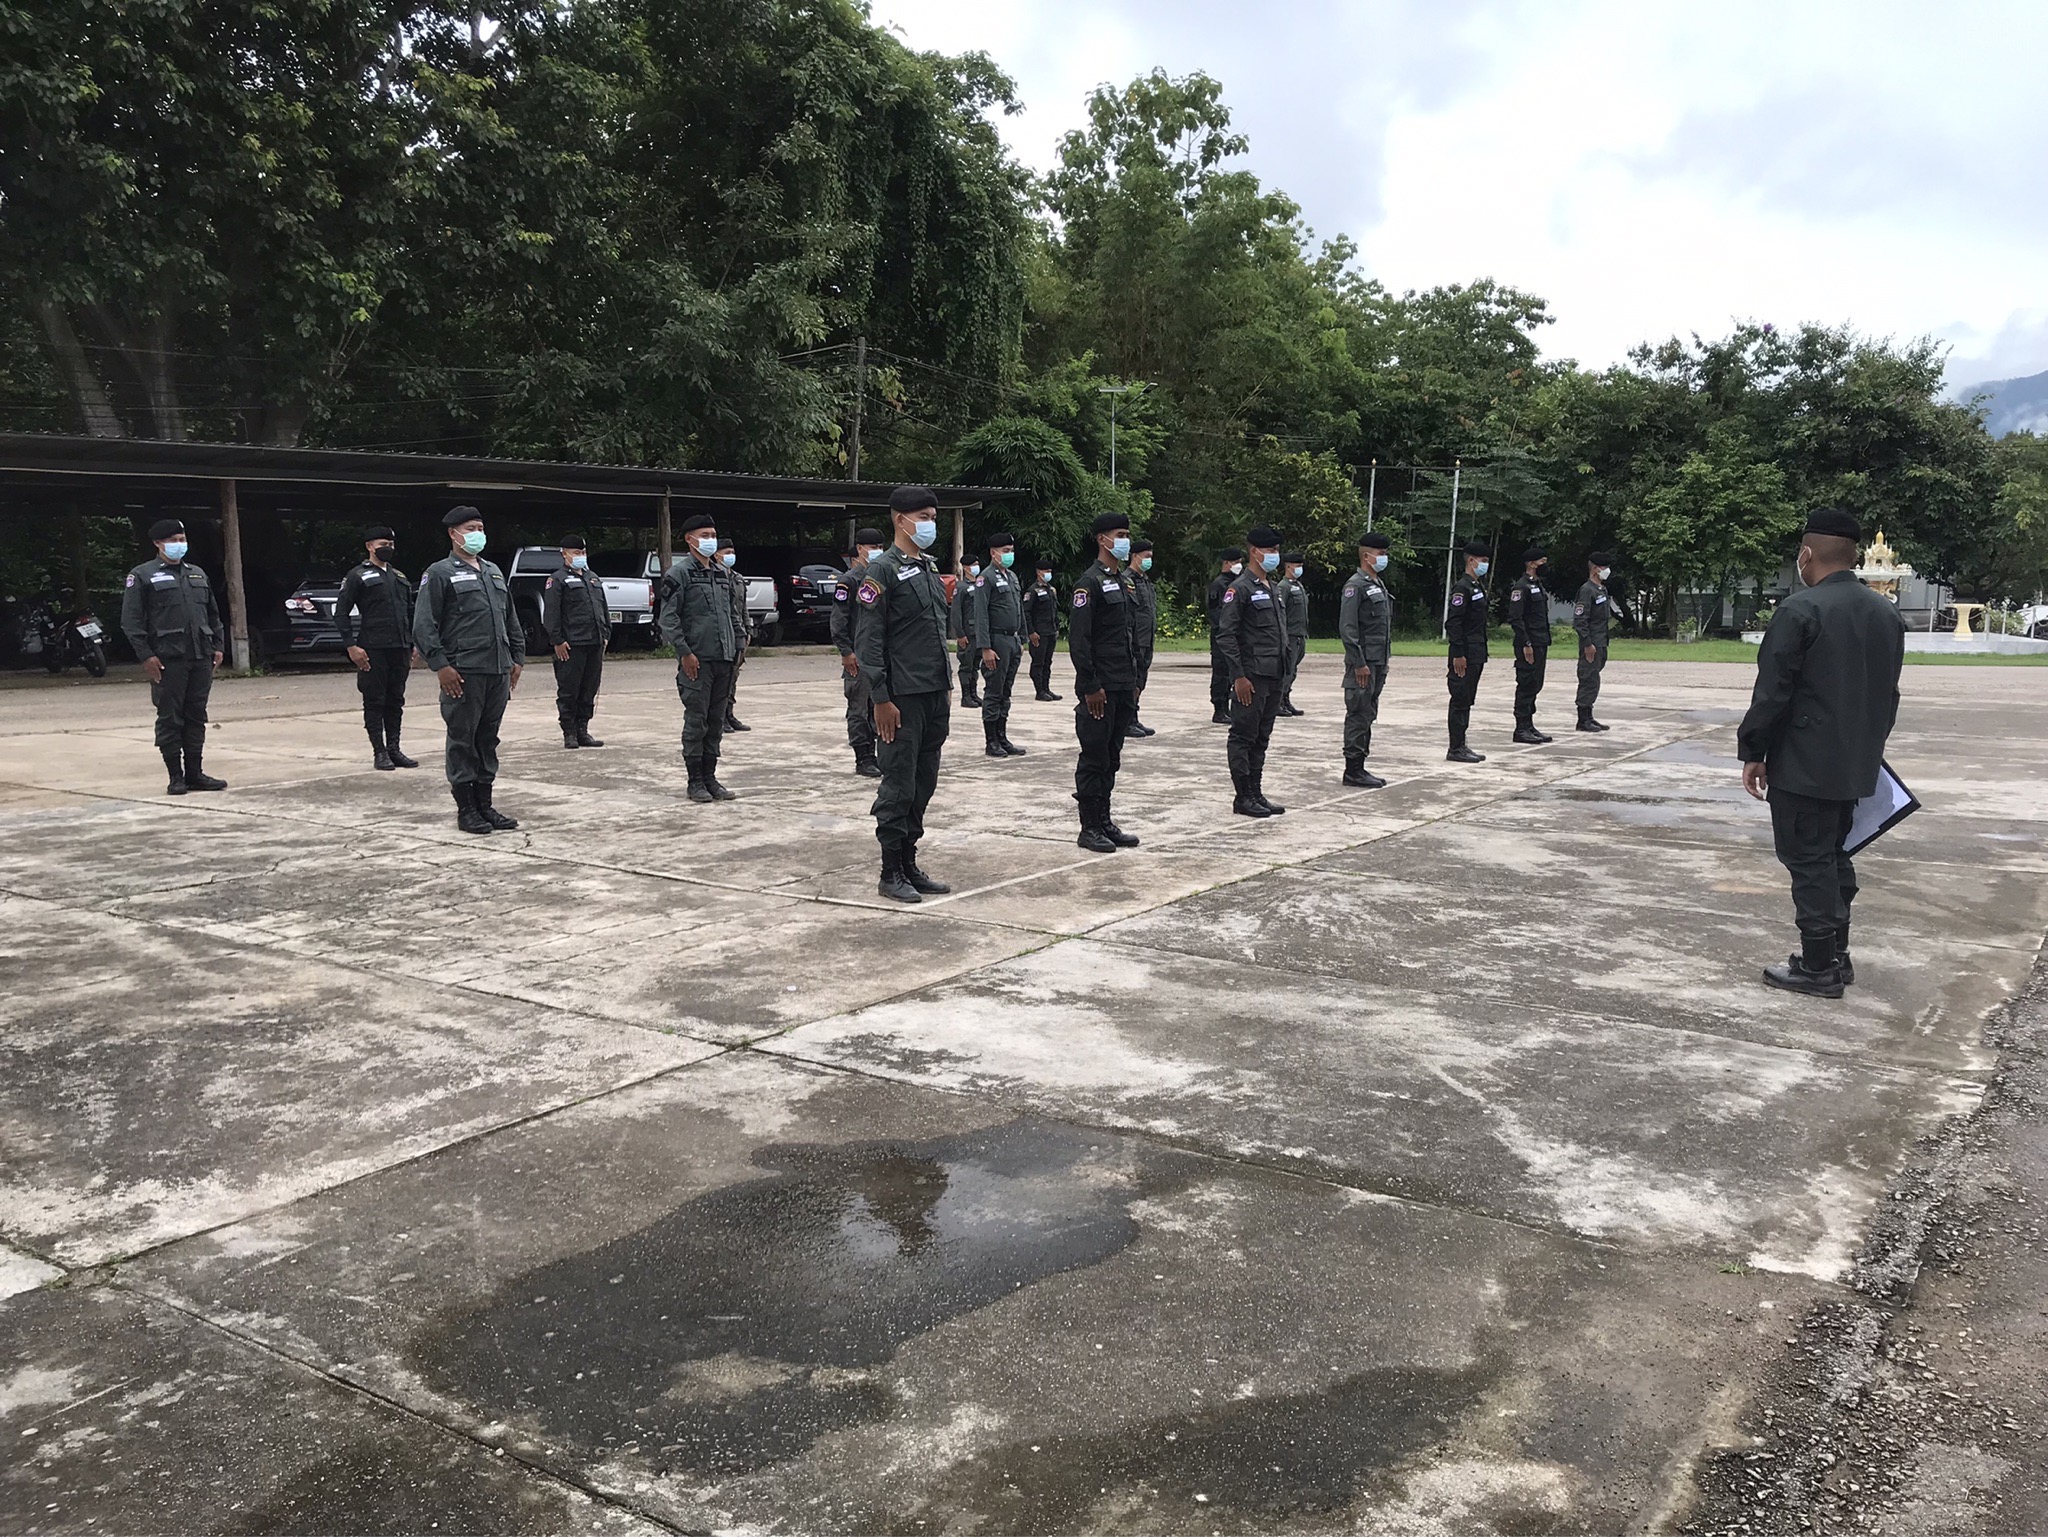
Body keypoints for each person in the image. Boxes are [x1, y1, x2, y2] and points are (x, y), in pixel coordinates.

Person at [1738, 509, 1906, 998]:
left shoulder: (1800, 610)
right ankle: (1837, 954)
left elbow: (1773, 692)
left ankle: (1817, 967)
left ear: (1806, 553)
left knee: (1808, 858)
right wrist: (1868, 747)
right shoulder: (1885, 614)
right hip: (1855, 760)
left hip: (1804, 761)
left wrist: (1754, 749)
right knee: (1834, 854)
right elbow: (1889, 695)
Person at [855, 486, 954, 902]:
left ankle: (909, 862)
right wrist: (880, 698)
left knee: (923, 782)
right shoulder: (881, 571)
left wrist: (946, 687)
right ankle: (890, 870)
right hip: (901, 697)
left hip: (933, 691)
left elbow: (934, 632)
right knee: (898, 784)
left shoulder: (928, 567)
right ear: (901, 520)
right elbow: (868, 641)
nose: (931, 524)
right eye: (924, 517)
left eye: (933, 517)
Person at [413, 506, 525, 833]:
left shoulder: (492, 571)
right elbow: (423, 625)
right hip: (463, 671)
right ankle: (466, 809)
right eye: (471, 528)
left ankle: (485, 805)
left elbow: (510, 618)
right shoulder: (439, 573)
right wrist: (440, 665)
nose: (478, 534)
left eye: (480, 528)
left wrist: (517, 658)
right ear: (453, 533)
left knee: (488, 739)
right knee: (463, 739)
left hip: (498, 669)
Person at [120, 517, 226, 795]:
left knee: (196, 715)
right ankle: (175, 776)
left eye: (182, 539)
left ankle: (195, 773)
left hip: (200, 656)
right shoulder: (142, 575)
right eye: (173, 540)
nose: (179, 544)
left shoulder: (197, 574)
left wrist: (218, 646)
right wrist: (146, 656)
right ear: (158, 543)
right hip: (168, 659)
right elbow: (131, 622)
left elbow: (213, 615)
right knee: (170, 717)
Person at [1068, 511, 1143, 852]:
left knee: (1112, 756)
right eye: (1120, 535)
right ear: (1102, 539)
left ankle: (1105, 820)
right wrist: (1090, 685)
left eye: (1127, 535)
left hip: (1123, 682)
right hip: (1100, 686)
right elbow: (1080, 640)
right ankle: (1089, 827)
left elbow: (1128, 634)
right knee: (1094, 757)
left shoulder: (1125, 582)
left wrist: (1135, 680)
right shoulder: (1089, 583)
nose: (1125, 541)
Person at [659, 513, 745, 803]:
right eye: (705, 535)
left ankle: (711, 777)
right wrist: (684, 652)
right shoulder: (679, 574)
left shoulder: (722, 574)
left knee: (716, 720)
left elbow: (732, 614)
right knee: (697, 720)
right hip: (697, 660)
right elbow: (668, 619)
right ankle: (695, 780)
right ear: (690, 539)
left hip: (724, 658)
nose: (711, 540)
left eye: (713, 535)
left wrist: (739, 644)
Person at [1215, 527, 1289, 816]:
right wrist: (1239, 676)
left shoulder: (1272, 587)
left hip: (1274, 674)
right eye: (1270, 551)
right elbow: (1226, 635)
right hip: (1252, 676)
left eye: (1277, 550)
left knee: (1261, 737)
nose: (1275, 555)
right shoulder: (1240, 588)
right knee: (1243, 736)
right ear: (1254, 552)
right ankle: (1243, 795)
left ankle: (1256, 792)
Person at [333, 525, 419, 771]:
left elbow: (410, 612)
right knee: (374, 700)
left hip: (399, 647)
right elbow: (341, 613)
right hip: (373, 648)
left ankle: (394, 749)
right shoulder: (357, 576)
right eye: (383, 544)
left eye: (390, 545)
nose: (387, 548)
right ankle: (379, 752)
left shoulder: (399, 577)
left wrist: (413, 643)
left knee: (395, 700)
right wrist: (351, 646)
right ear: (370, 546)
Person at [543, 534, 610, 749]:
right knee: (569, 689)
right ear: (564, 554)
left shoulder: (592, 578)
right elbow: (551, 613)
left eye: (583, 552)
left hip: (594, 641)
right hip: (571, 644)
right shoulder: (557, 580)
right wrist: (557, 640)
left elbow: (603, 608)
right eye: (576, 552)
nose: (580, 556)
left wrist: (606, 634)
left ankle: (583, 730)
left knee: (589, 688)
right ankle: (569, 732)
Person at [1338, 530, 1393, 788]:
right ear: (1366, 556)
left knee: (1368, 712)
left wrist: (1384, 660)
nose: (1384, 558)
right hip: (1363, 663)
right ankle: (1353, 769)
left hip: (1377, 661)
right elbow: (1348, 628)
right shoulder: (1355, 586)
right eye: (1381, 554)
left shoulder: (1377, 584)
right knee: (1358, 713)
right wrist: (1358, 662)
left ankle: (1360, 765)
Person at [831, 527, 885, 778]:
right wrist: (846, 651)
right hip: (858, 654)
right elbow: (838, 620)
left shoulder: (881, 576)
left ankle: (879, 753)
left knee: (879, 705)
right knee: (859, 708)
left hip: (879, 654)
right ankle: (863, 756)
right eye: (873, 547)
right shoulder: (850, 580)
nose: (877, 552)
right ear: (860, 549)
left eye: (880, 547)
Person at [970, 531, 1028, 757]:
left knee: (1006, 691)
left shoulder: (1011, 576)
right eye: (1005, 551)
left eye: (1011, 551)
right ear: (993, 553)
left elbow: (1019, 609)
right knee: (994, 691)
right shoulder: (986, 578)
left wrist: (1022, 637)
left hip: (1012, 639)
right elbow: (981, 614)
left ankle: (1002, 736)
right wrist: (985, 647)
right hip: (997, 640)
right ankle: (991, 740)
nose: (1009, 554)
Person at [1445, 537, 1492, 764]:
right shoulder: (1462, 588)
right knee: (1460, 699)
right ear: (1471, 561)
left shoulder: (1476, 586)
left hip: (1477, 651)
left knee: (1467, 699)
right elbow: (1454, 623)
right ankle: (1455, 748)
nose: (1485, 565)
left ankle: (1461, 743)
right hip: (1465, 652)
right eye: (1483, 560)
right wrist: (1458, 653)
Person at [1508, 546, 1554, 745]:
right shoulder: (1521, 587)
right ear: (1532, 564)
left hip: (1541, 641)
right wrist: (1526, 642)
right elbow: (1515, 618)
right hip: (1529, 643)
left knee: (1536, 684)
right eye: (1542, 562)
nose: (1545, 565)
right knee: (1526, 683)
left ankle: (1529, 724)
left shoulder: (1537, 585)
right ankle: (1521, 728)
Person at [1573, 550, 1618, 732]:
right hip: (1591, 642)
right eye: (1603, 567)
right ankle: (1583, 719)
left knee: (1594, 679)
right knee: (1588, 678)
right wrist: (1587, 643)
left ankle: (1589, 716)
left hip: (1601, 641)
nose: (1607, 571)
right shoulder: (1587, 590)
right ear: (1594, 569)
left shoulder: (1602, 590)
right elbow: (1580, 620)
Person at [1124, 538, 1159, 737]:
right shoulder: (1127, 580)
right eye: (1146, 556)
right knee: (1133, 681)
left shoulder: (1145, 580)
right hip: (1135, 639)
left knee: (1141, 680)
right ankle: (1127, 721)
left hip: (1147, 639)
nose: (1149, 560)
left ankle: (1134, 717)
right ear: (1135, 556)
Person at [717, 537, 752, 733]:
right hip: (723, 633)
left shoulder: (738, 578)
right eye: (727, 553)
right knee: (722, 678)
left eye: (732, 552)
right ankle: (719, 717)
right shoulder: (716, 577)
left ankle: (729, 714)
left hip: (739, 633)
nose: (731, 556)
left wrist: (747, 629)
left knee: (733, 675)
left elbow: (743, 607)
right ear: (717, 555)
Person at [1206, 549, 1244, 723]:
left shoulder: (1238, 583)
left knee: (1232, 671)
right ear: (1227, 563)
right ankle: (1219, 709)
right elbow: (1214, 612)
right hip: (1221, 636)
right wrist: (1224, 631)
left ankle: (1229, 707)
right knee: (1221, 673)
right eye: (1236, 562)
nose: (1239, 565)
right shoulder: (1219, 584)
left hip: (1236, 636)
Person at [1276, 551, 1310, 716]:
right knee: (1286, 670)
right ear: (1288, 566)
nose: (1299, 569)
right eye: (1297, 566)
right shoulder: (1283, 587)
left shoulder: (1298, 586)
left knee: (1292, 671)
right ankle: (1278, 702)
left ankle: (1286, 699)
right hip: (1289, 635)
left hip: (1299, 634)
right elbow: (1280, 613)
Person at [1024, 562, 1062, 701]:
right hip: (1039, 633)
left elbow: (1054, 611)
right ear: (1038, 572)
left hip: (1050, 631)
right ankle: (1039, 691)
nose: (1048, 574)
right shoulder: (1032, 591)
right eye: (1046, 571)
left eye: (1049, 571)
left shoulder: (1051, 590)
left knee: (1047, 662)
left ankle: (1046, 689)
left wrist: (1056, 627)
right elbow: (1026, 613)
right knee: (1038, 662)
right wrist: (1031, 632)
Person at [950, 554, 983, 710]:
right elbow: (956, 613)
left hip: (979, 632)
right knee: (966, 666)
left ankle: (973, 693)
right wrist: (960, 634)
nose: (976, 567)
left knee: (975, 665)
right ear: (965, 567)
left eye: (977, 564)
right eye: (973, 564)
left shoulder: (979, 585)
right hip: (967, 633)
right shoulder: (961, 587)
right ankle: (966, 696)